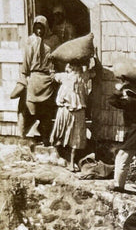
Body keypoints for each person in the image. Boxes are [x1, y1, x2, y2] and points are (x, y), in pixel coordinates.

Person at [50, 57, 97, 171]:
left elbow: (52, 76)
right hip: (77, 111)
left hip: (65, 111)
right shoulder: (83, 76)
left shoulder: (64, 76)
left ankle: (60, 156)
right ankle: (71, 162)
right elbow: (93, 73)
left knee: (61, 133)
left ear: (70, 67)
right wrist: (93, 62)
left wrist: (51, 66)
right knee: (76, 137)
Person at [19, 15, 56, 143]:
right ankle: (31, 136)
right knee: (31, 110)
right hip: (34, 79)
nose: (39, 31)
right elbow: (26, 60)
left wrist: (54, 73)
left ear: (46, 28)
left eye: (42, 28)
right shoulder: (30, 40)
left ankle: (46, 136)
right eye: (37, 28)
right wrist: (24, 75)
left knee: (46, 110)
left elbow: (57, 58)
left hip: (47, 79)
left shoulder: (53, 40)